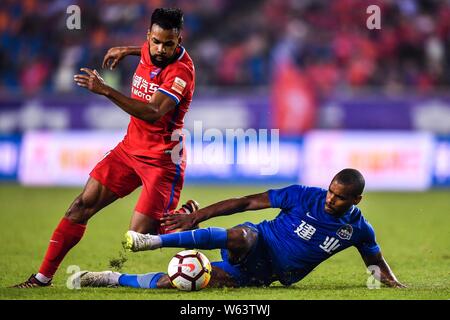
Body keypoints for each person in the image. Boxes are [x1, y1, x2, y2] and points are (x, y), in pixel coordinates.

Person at [13, 8, 197, 288]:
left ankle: (183, 217)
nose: (160, 49)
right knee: (79, 206)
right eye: (155, 42)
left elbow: (152, 112)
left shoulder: (181, 72)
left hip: (162, 161)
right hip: (129, 150)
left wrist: (106, 90)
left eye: (168, 44)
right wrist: (128, 50)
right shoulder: (150, 48)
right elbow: (150, 52)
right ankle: (42, 278)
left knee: (138, 239)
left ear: (179, 41)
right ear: (149, 36)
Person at [71, 168, 406, 289]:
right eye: (331, 191)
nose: (330, 199)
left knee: (179, 281)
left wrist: (390, 281)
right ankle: (153, 241)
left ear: (356, 200)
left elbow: (374, 261)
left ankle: (112, 278)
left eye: (339, 197)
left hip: (265, 274)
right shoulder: (303, 195)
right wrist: (198, 215)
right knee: (242, 233)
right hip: (256, 243)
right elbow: (247, 203)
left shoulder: (359, 229)